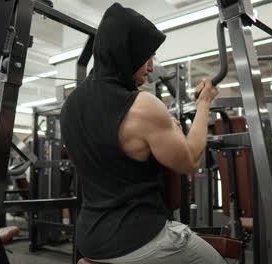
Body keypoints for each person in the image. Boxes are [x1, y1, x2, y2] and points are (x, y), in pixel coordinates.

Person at [60, 3, 223, 264]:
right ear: (127, 53)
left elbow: (113, 157)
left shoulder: (70, 106)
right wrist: (204, 103)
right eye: (145, 57)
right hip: (137, 237)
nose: (150, 67)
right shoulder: (143, 105)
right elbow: (190, 159)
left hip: (90, 239)